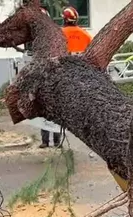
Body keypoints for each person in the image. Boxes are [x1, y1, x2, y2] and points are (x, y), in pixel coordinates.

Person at [39, 5, 93, 148]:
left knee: (49, 109)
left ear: (64, 19)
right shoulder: (85, 35)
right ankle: (58, 141)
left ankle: (46, 141)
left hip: (60, 77)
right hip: (81, 77)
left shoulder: (59, 34)